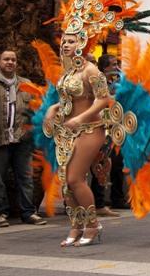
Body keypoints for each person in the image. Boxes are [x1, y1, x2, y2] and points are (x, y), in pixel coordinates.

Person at [44, 34, 113, 246]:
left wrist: (81, 118)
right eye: (64, 41)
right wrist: (53, 108)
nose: (66, 45)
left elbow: (104, 100)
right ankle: (76, 225)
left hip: (91, 129)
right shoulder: (69, 71)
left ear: (82, 44)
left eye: (71, 41)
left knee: (75, 178)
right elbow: (67, 99)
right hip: (67, 132)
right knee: (66, 183)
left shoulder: (91, 70)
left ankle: (92, 225)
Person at [0, 50, 46, 226]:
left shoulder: (26, 84)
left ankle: (29, 213)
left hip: (23, 138)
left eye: (13, 60)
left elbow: (35, 109)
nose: (10, 62)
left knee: (26, 177)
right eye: (6, 59)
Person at [89, 54, 124, 215]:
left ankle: (100, 204)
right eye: (113, 65)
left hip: (109, 130)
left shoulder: (115, 83)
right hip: (90, 129)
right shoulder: (94, 82)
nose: (117, 67)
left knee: (103, 166)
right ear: (104, 68)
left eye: (117, 64)